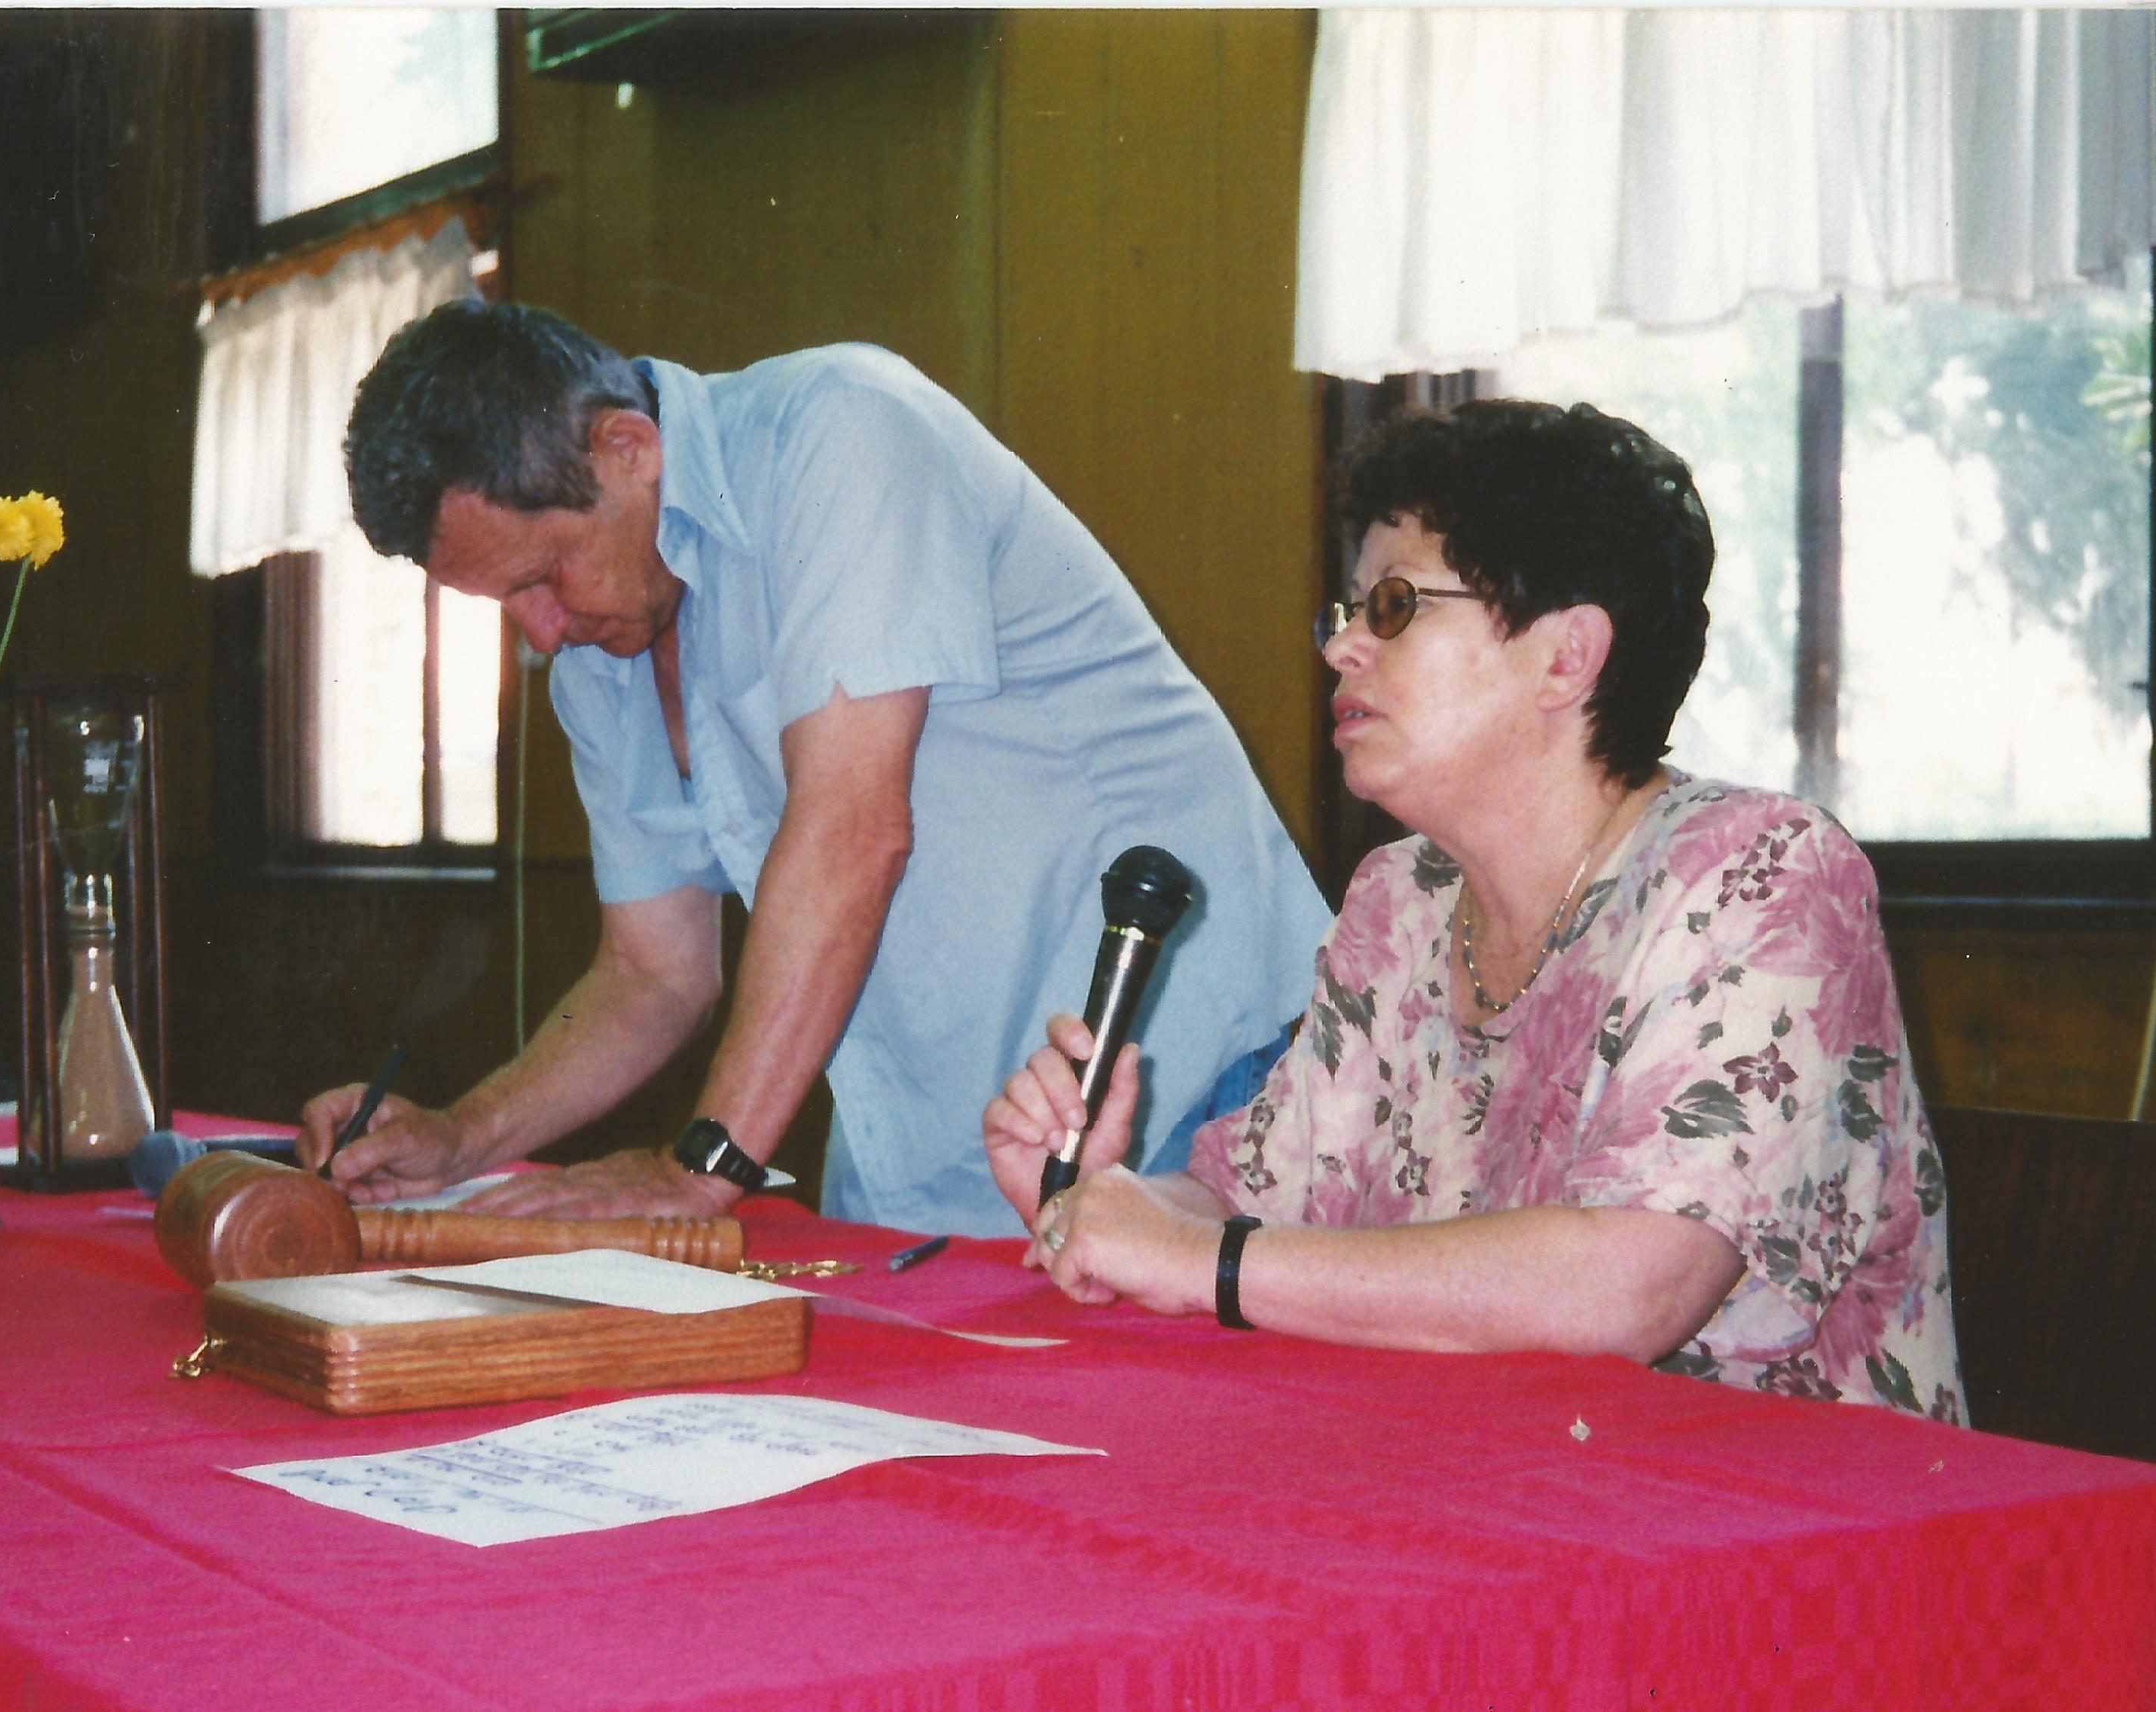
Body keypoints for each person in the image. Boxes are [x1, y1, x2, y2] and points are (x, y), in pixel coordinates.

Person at [986, 399, 1963, 1417]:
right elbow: (1244, 1211)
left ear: (1566, 656)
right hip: (1491, 1495)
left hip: (1792, 1535)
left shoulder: (1764, 873)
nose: (1343, 648)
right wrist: (1103, 1206)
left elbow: (1632, 1284)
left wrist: (1202, 1259)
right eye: (1349, 611)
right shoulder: (1401, 899)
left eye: (1396, 607)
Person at [298, 301, 1332, 1237]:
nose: (542, 629)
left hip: (1199, 1079)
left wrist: (704, 1164)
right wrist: (463, 1136)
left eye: (545, 575)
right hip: (954, 1156)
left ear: (628, 446)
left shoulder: (841, 432)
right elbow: (651, 972)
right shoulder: (602, 641)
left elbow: (852, 831)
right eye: (505, 605)